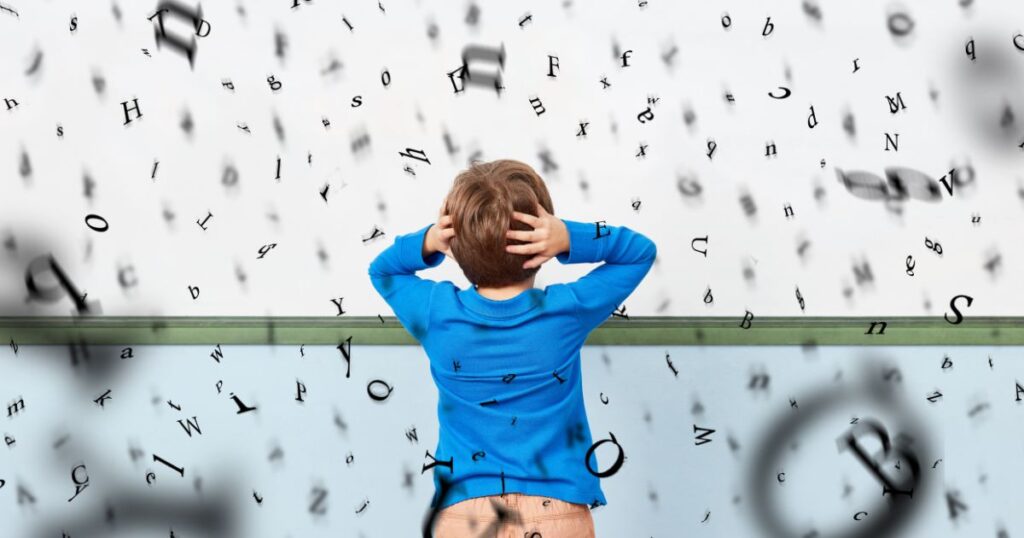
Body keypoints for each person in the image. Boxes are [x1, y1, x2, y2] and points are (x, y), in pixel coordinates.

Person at [368, 159, 657, 536]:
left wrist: (431, 239)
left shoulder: (436, 313)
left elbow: (383, 270)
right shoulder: (566, 311)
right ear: (541, 240)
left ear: (455, 240)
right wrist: (569, 237)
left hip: (465, 516)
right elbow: (639, 251)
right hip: (557, 513)